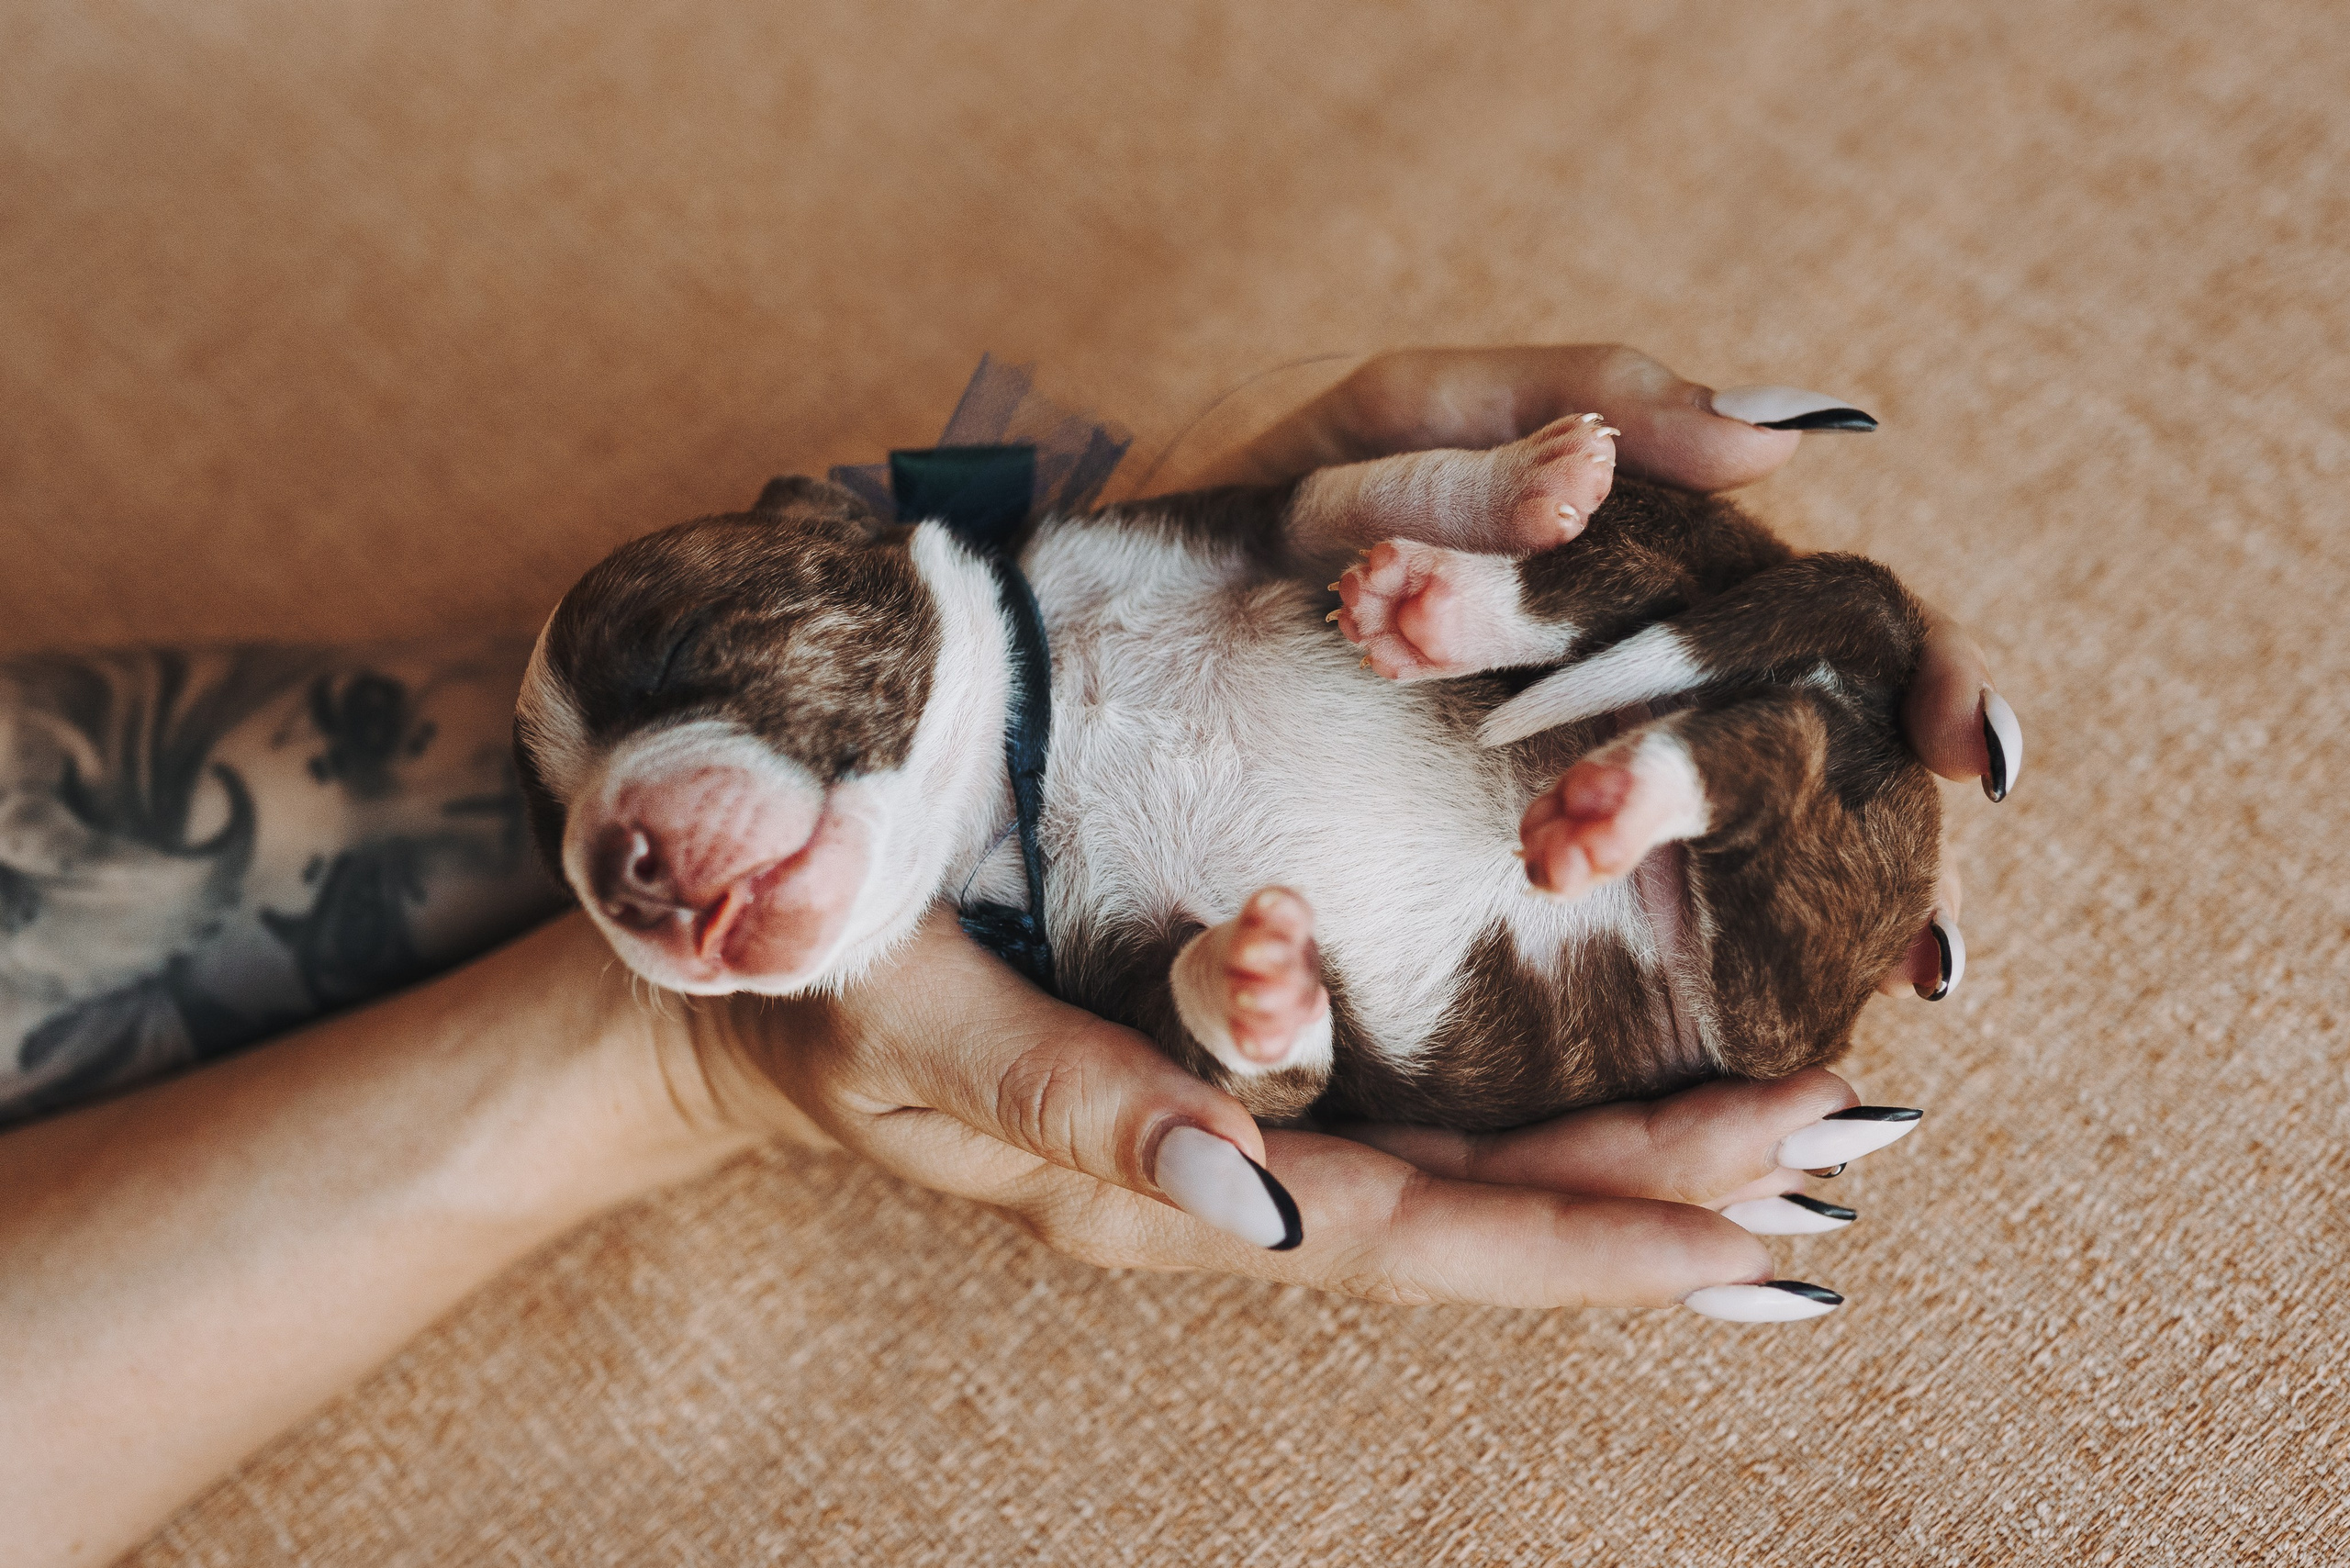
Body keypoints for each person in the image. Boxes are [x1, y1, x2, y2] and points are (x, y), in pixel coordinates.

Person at [0, 345, 2017, 1567]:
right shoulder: (1006, 921)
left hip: (1522, 658)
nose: (619, 858)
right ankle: (1677, 769)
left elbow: (1282, 527)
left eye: (640, 736)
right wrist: (1236, 1013)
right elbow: (1244, 1072)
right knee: (1713, 907)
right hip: (1622, 977)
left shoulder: (1021, 584)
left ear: (836, 550)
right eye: (588, 850)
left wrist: (1454, 507)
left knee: (1539, 576)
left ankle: (1615, 693)